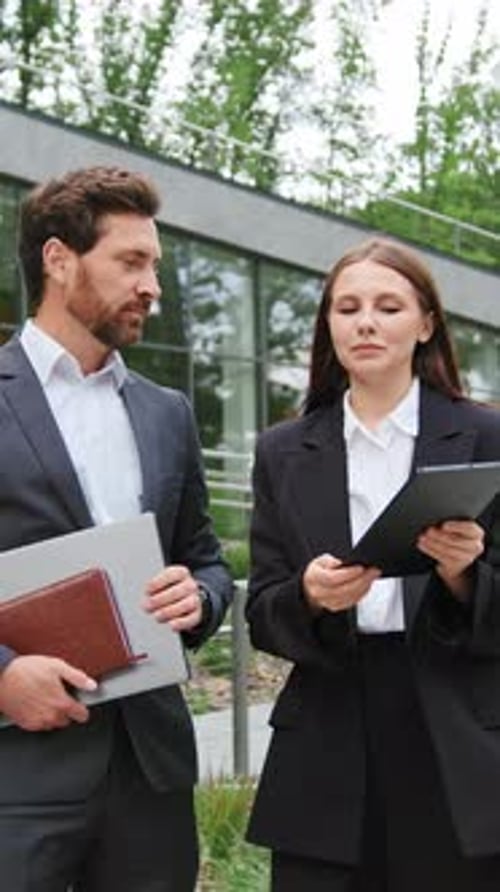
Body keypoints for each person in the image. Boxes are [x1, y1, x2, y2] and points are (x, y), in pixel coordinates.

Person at [0, 166, 233, 892]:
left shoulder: (167, 412)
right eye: (131, 262)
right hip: (19, 770)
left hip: (150, 771)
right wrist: (2, 677)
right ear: (59, 260)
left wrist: (199, 597)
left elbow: (208, 561)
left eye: (154, 265)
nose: (152, 285)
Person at [245, 236, 500, 891]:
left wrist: (464, 574)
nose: (364, 322)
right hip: (325, 736)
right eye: (347, 307)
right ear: (327, 325)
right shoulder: (282, 451)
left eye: (388, 306)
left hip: (455, 737)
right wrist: (307, 595)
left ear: (426, 324)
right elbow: (264, 614)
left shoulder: (487, 436)